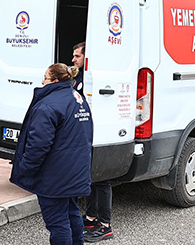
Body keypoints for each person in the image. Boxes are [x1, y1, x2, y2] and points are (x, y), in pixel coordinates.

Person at [9, 63, 93, 245]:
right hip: (74, 170)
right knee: (72, 214)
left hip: (54, 175)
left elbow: (38, 145)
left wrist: (25, 169)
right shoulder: (77, 97)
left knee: (58, 223)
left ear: (55, 80)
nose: (42, 82)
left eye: (45, 78)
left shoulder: (47, 105)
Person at [73, 43, 114, 243]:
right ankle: (90, 218)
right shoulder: (79, 78)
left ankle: (105, 225)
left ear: (86, 58)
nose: (73, 60)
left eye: (77, 56)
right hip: (85, 134)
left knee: (102, 180)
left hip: (100, 132)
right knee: (90, 178)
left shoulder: (96, 79)